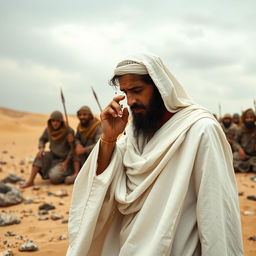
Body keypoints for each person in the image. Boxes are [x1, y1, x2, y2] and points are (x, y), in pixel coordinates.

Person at [67, 54, 243, 255]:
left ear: (160, 88)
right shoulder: (135, 133)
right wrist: (108, 138)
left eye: (137, 91)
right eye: (125, 92)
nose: (131, 101)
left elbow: (215, 209)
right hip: (129, 246)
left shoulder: (201, 130)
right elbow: (102, 182)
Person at [21, 111, 75, 188]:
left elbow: (72, 149)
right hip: (52, 156)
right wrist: (41, 148)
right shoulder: (48, 130)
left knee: (54, 178)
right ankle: (30, 181)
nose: (55, 123)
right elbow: (42, 139)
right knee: (40, 156)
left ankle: (67, 175)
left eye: (57, 121)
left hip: (65, 160)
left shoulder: (69, 131)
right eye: (53, 121)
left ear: (61, 122)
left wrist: (66, 162)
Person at [65, 106, 102, 184]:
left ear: (90, 115)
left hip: (94, 156)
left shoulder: (98, 126)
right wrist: (77, 144)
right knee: (75, 149)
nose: (82, 117)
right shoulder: (80, 126)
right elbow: (77, 138)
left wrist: (84, 150)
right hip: (83, 156)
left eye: (85, 115)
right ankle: (77, 174)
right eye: (80, 115)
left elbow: (100, 144)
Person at [233, 108, 256, 173]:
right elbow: (235, 142)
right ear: (244, 119)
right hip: (243, 155)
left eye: (251, 118)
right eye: (247, 118)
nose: (249, 120)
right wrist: (240, 149)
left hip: (254, 156)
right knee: (234, 157)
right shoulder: (240, 129)